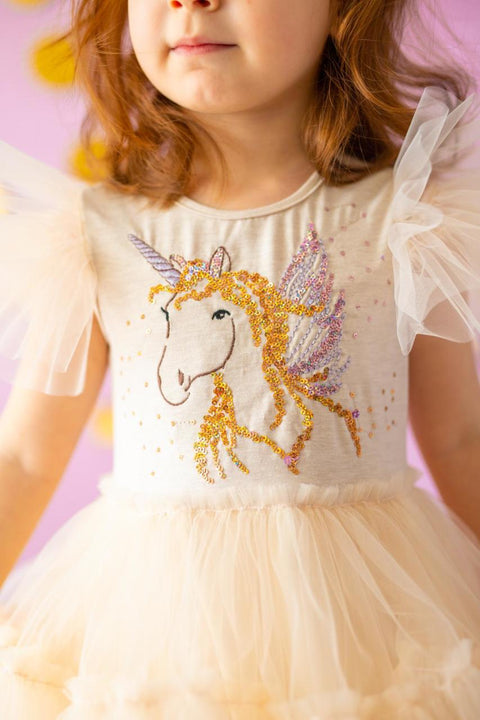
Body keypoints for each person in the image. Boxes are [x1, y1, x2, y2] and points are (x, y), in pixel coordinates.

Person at [1, 0, 480, 716]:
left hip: (364, 621)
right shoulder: (91, 234)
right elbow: (25, 458)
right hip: (158, 626)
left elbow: (461, 437)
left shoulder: (408, 219)